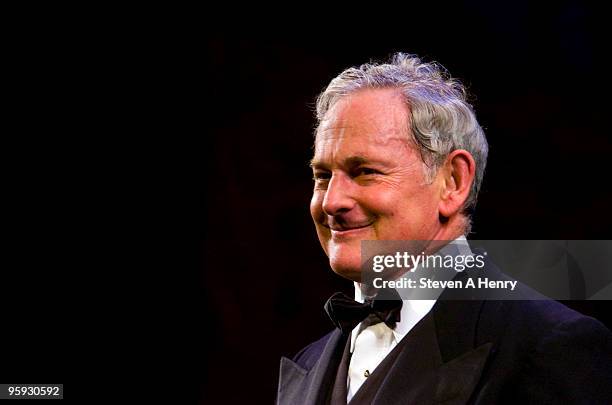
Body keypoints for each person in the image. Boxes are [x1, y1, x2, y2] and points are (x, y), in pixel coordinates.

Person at [276, 53, 612, 404]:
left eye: (365, 172)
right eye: (323, 176)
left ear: (453, 182)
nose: (331, 202)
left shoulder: (549, 345)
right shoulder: (309, 363)